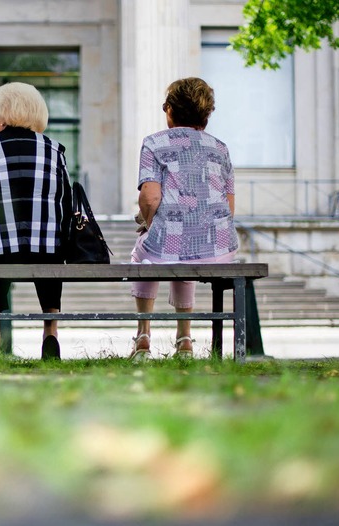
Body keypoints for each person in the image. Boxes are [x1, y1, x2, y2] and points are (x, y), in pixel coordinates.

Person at [0, 82, 73, 360]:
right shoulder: (55, 150)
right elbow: (65, 203)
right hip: (46, 248)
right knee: (49, 248)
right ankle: (50, 333)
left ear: (4, 114)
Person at [130, 77, 239, 361]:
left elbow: (150, 198)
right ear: (206, 114)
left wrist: (148, 222)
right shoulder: (221, 148)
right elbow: (229, 204)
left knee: (147, 254)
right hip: (219, 248)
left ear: (170, 110)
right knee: (182, 250)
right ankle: (185, 339)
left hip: (172, 245)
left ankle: (143, 336)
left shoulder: (154, 143)